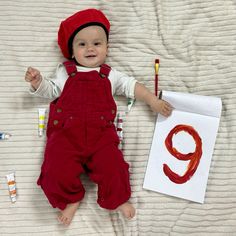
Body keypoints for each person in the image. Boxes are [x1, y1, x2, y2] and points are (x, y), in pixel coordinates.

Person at [25, 8, 172, 226]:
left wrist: (152, 100)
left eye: (97, 43)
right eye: (82, 44)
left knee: (115, 168)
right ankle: (71, 198)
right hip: (66, 137)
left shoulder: (111, 75)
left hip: (101, 138)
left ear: (107, 48)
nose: (90, 48)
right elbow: (52, 90)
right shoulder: (65, 72)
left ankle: (117, 198)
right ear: (72, 51)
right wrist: (38, 82)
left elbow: (132, 87)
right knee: (54, 172)